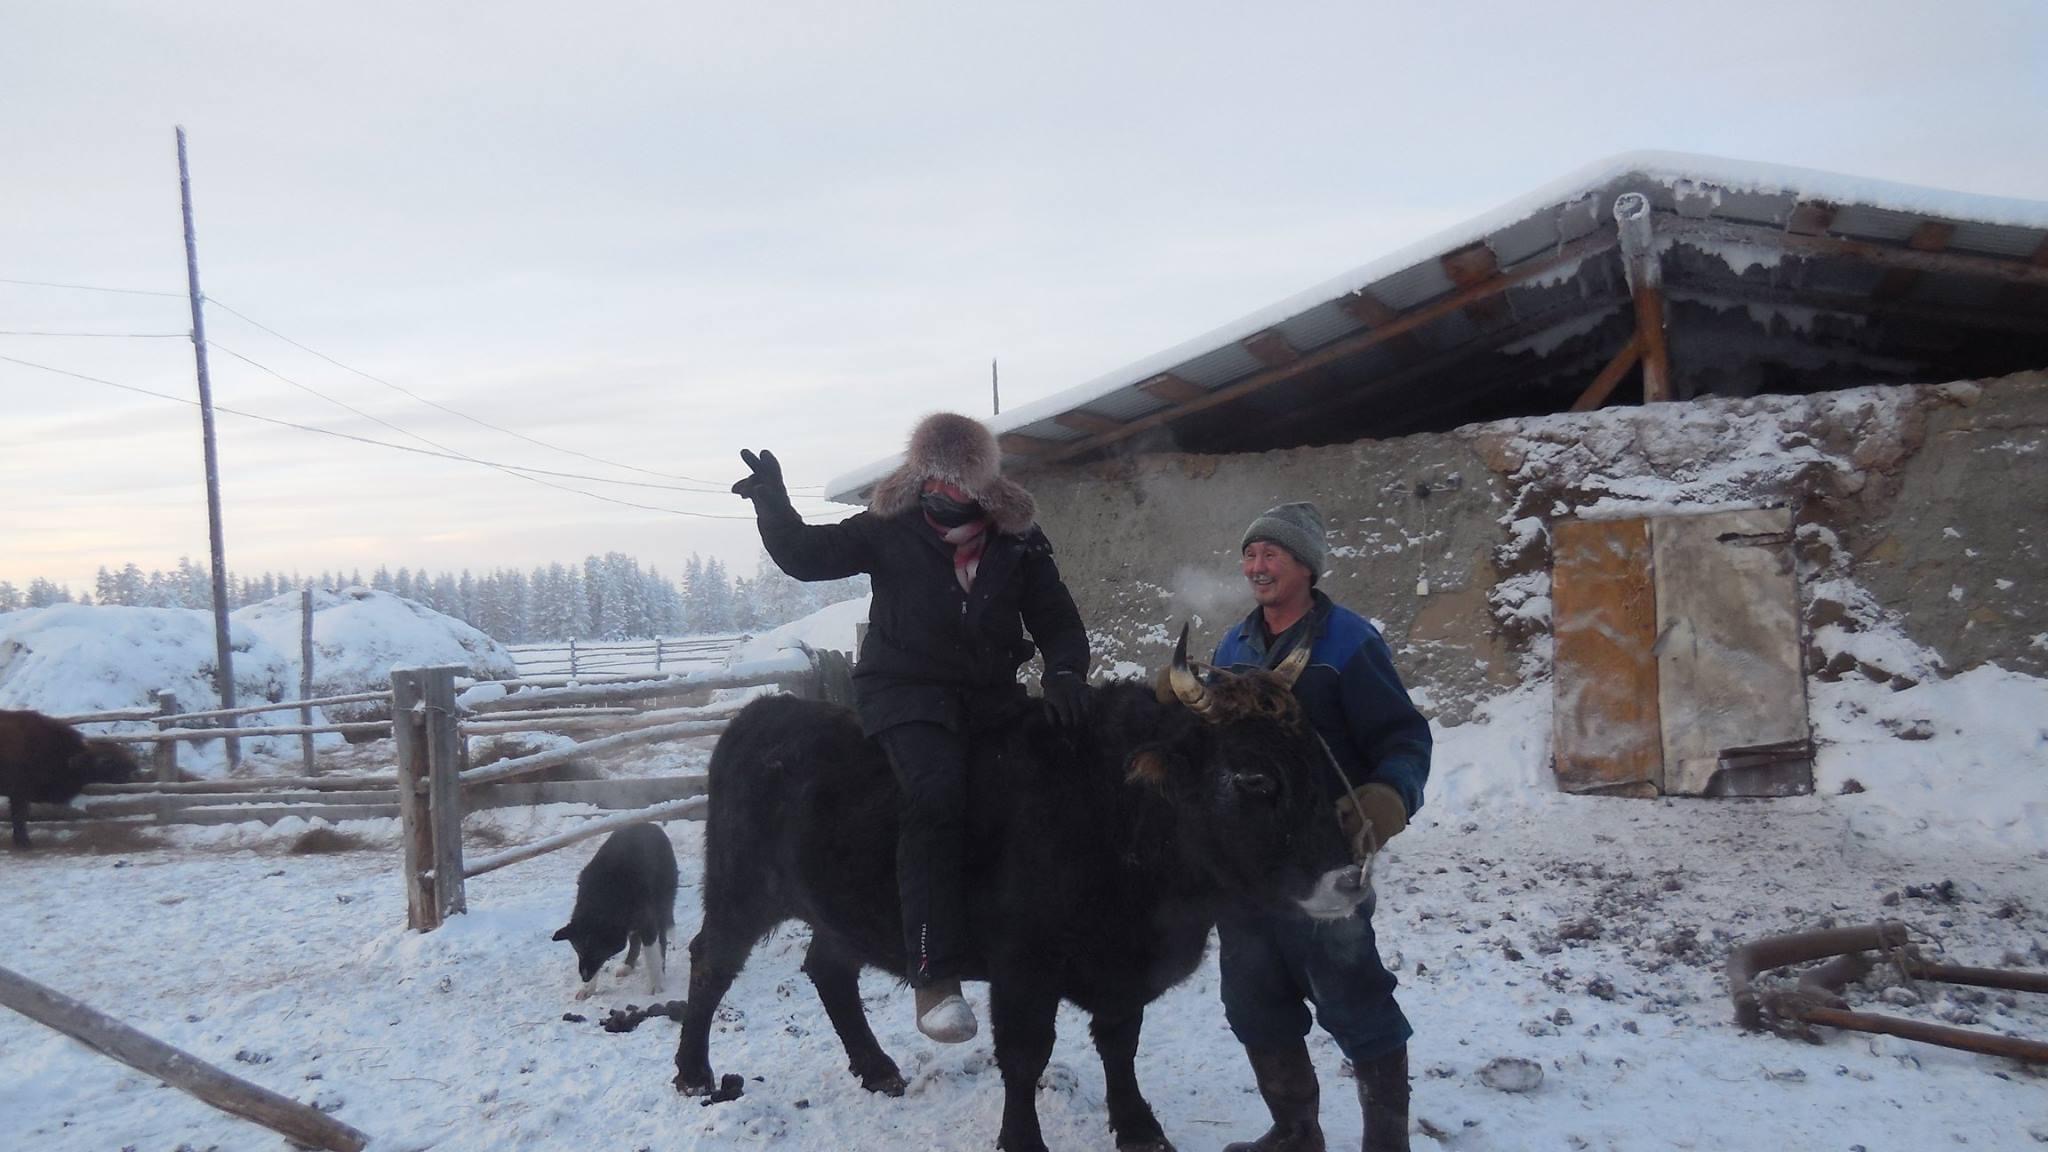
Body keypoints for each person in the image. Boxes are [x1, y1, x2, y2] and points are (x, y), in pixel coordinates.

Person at [730, 412, 1091, 1044]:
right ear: (922, 474)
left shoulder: (1018, 538)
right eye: (936, 479)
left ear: (981, 483)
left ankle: (1031, 930)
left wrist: (1064, 673)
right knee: (935, 796)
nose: (944, 492)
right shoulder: (888, 525)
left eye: (958, 482)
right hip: (904, 692)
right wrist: (772, 505)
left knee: (1043, 787)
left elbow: (1059, 621)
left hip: (990, 698)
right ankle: (934, 971)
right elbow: (808, 557)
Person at [1210, 501, 1431, 1152]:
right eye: (1250, 555)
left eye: (1271, 554)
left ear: (1305, 565)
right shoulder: (1232, 645)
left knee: (1354, 999)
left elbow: (1402, 737)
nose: (1257, 566)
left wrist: (1389, 797)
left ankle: (1386, 1143)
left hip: (1323, 857)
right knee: (1253, 1003)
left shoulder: (1349, 643)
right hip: (1247, 866)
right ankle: (1295, 1133)